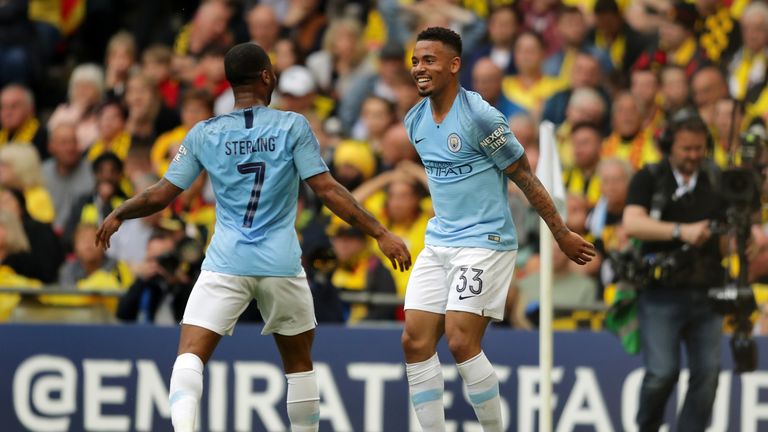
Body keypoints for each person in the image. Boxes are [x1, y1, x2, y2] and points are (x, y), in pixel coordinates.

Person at [95, 42, 411, 432]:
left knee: (190, 355)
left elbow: (162, 193)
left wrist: (119, 212)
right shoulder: (292, 125)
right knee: (299, 365)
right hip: (280, 263)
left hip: (226, 262)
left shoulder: (203, 133)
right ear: (266, 77)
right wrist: (380, 232)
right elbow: (328, 190)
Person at [402, 27, 594, 432]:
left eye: (429, 60)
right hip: (440, 242)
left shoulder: (480, 116)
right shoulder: (414, 120)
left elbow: (524, 176)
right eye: (416, 61)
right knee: (414, 342)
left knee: (459, 339)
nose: (420, 68)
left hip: (485, 242)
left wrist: (560, 232)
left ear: (454, 65)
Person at [623, 109, 726, 431]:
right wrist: (683, 231)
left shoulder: (716, 180)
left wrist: (742, 239)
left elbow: (728, 240)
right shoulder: (649, 177)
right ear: (669, 146)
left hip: (707, 291)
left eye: (699, 148)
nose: (694, 155)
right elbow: (632, 223)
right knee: (661, 374)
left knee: (707, 376)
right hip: (660, 293)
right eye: (686, 149)